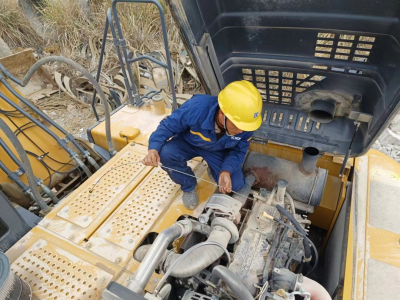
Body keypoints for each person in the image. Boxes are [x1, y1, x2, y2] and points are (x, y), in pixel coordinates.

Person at [142, 80, 263, 209]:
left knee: (236, 185)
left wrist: (226, 170)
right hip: (189, 143)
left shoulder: (247, 123)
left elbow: (238, 151)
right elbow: (168, 126)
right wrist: (153, 148)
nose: (241, 131)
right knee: (165, 154)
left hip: (217, 150)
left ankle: (214, 169)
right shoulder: (196, 108)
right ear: (222, 114)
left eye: (245, 126)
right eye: (238, 125)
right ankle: (188, 186)